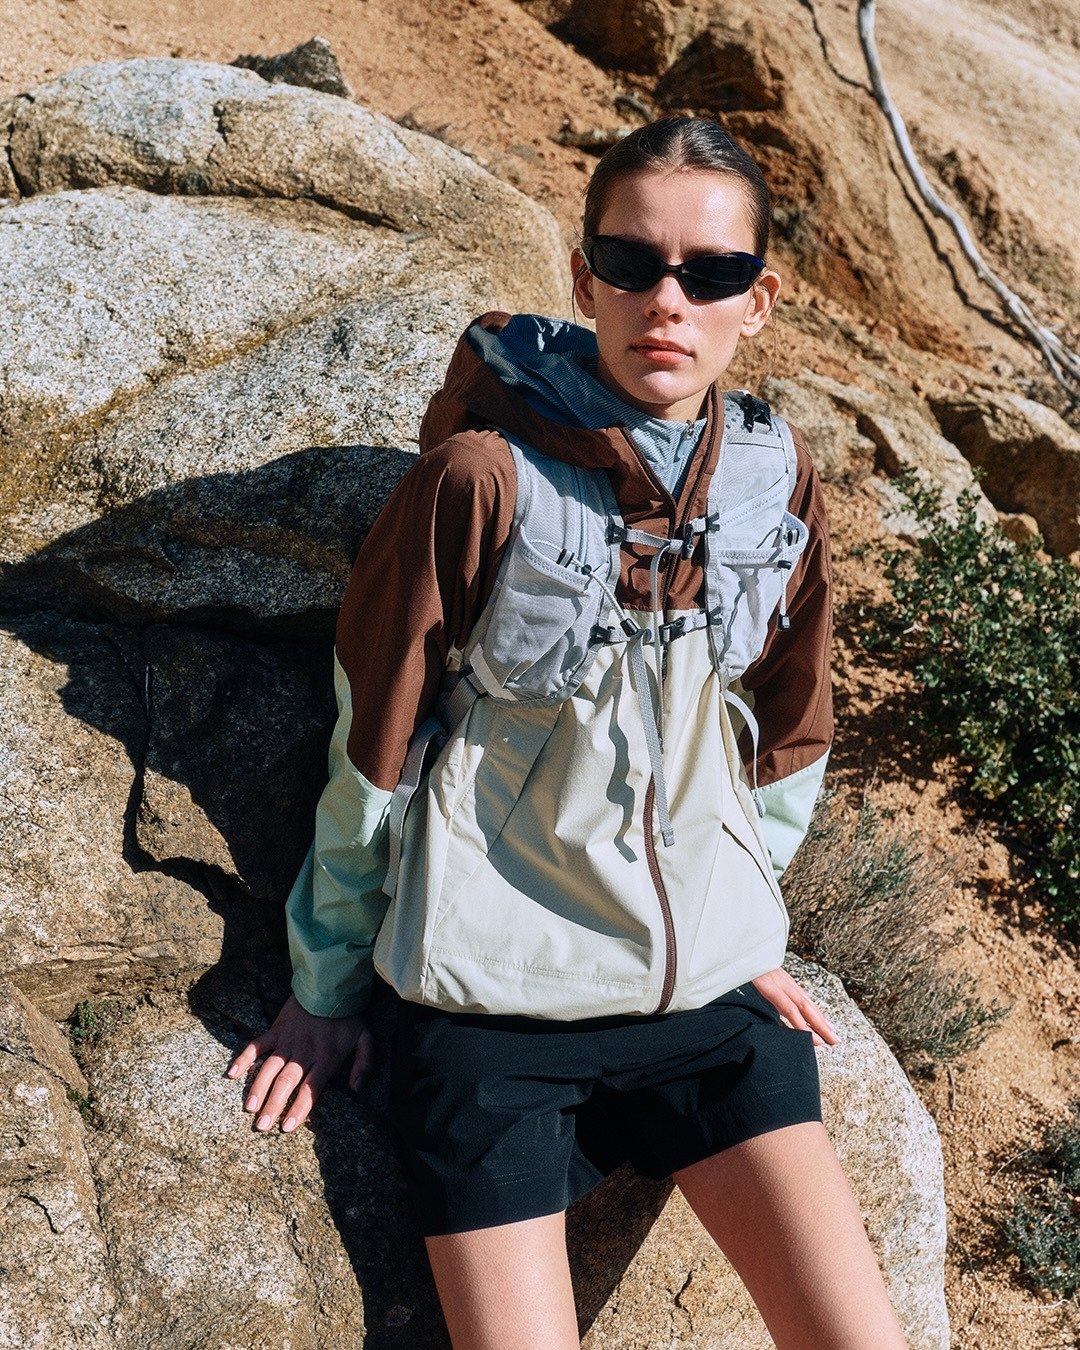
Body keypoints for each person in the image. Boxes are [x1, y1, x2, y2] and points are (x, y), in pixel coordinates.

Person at [227, 117, 908, 1349]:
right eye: (632, 263)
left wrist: (738, 908)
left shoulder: (773, 472)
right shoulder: (479, 479)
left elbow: (791, 718)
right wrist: (326, 987)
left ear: (758, 301)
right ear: (585, 279)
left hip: (704, 1011)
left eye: (710, 272)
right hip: (490, 1017)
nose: (668, 300)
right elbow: (373, 751)